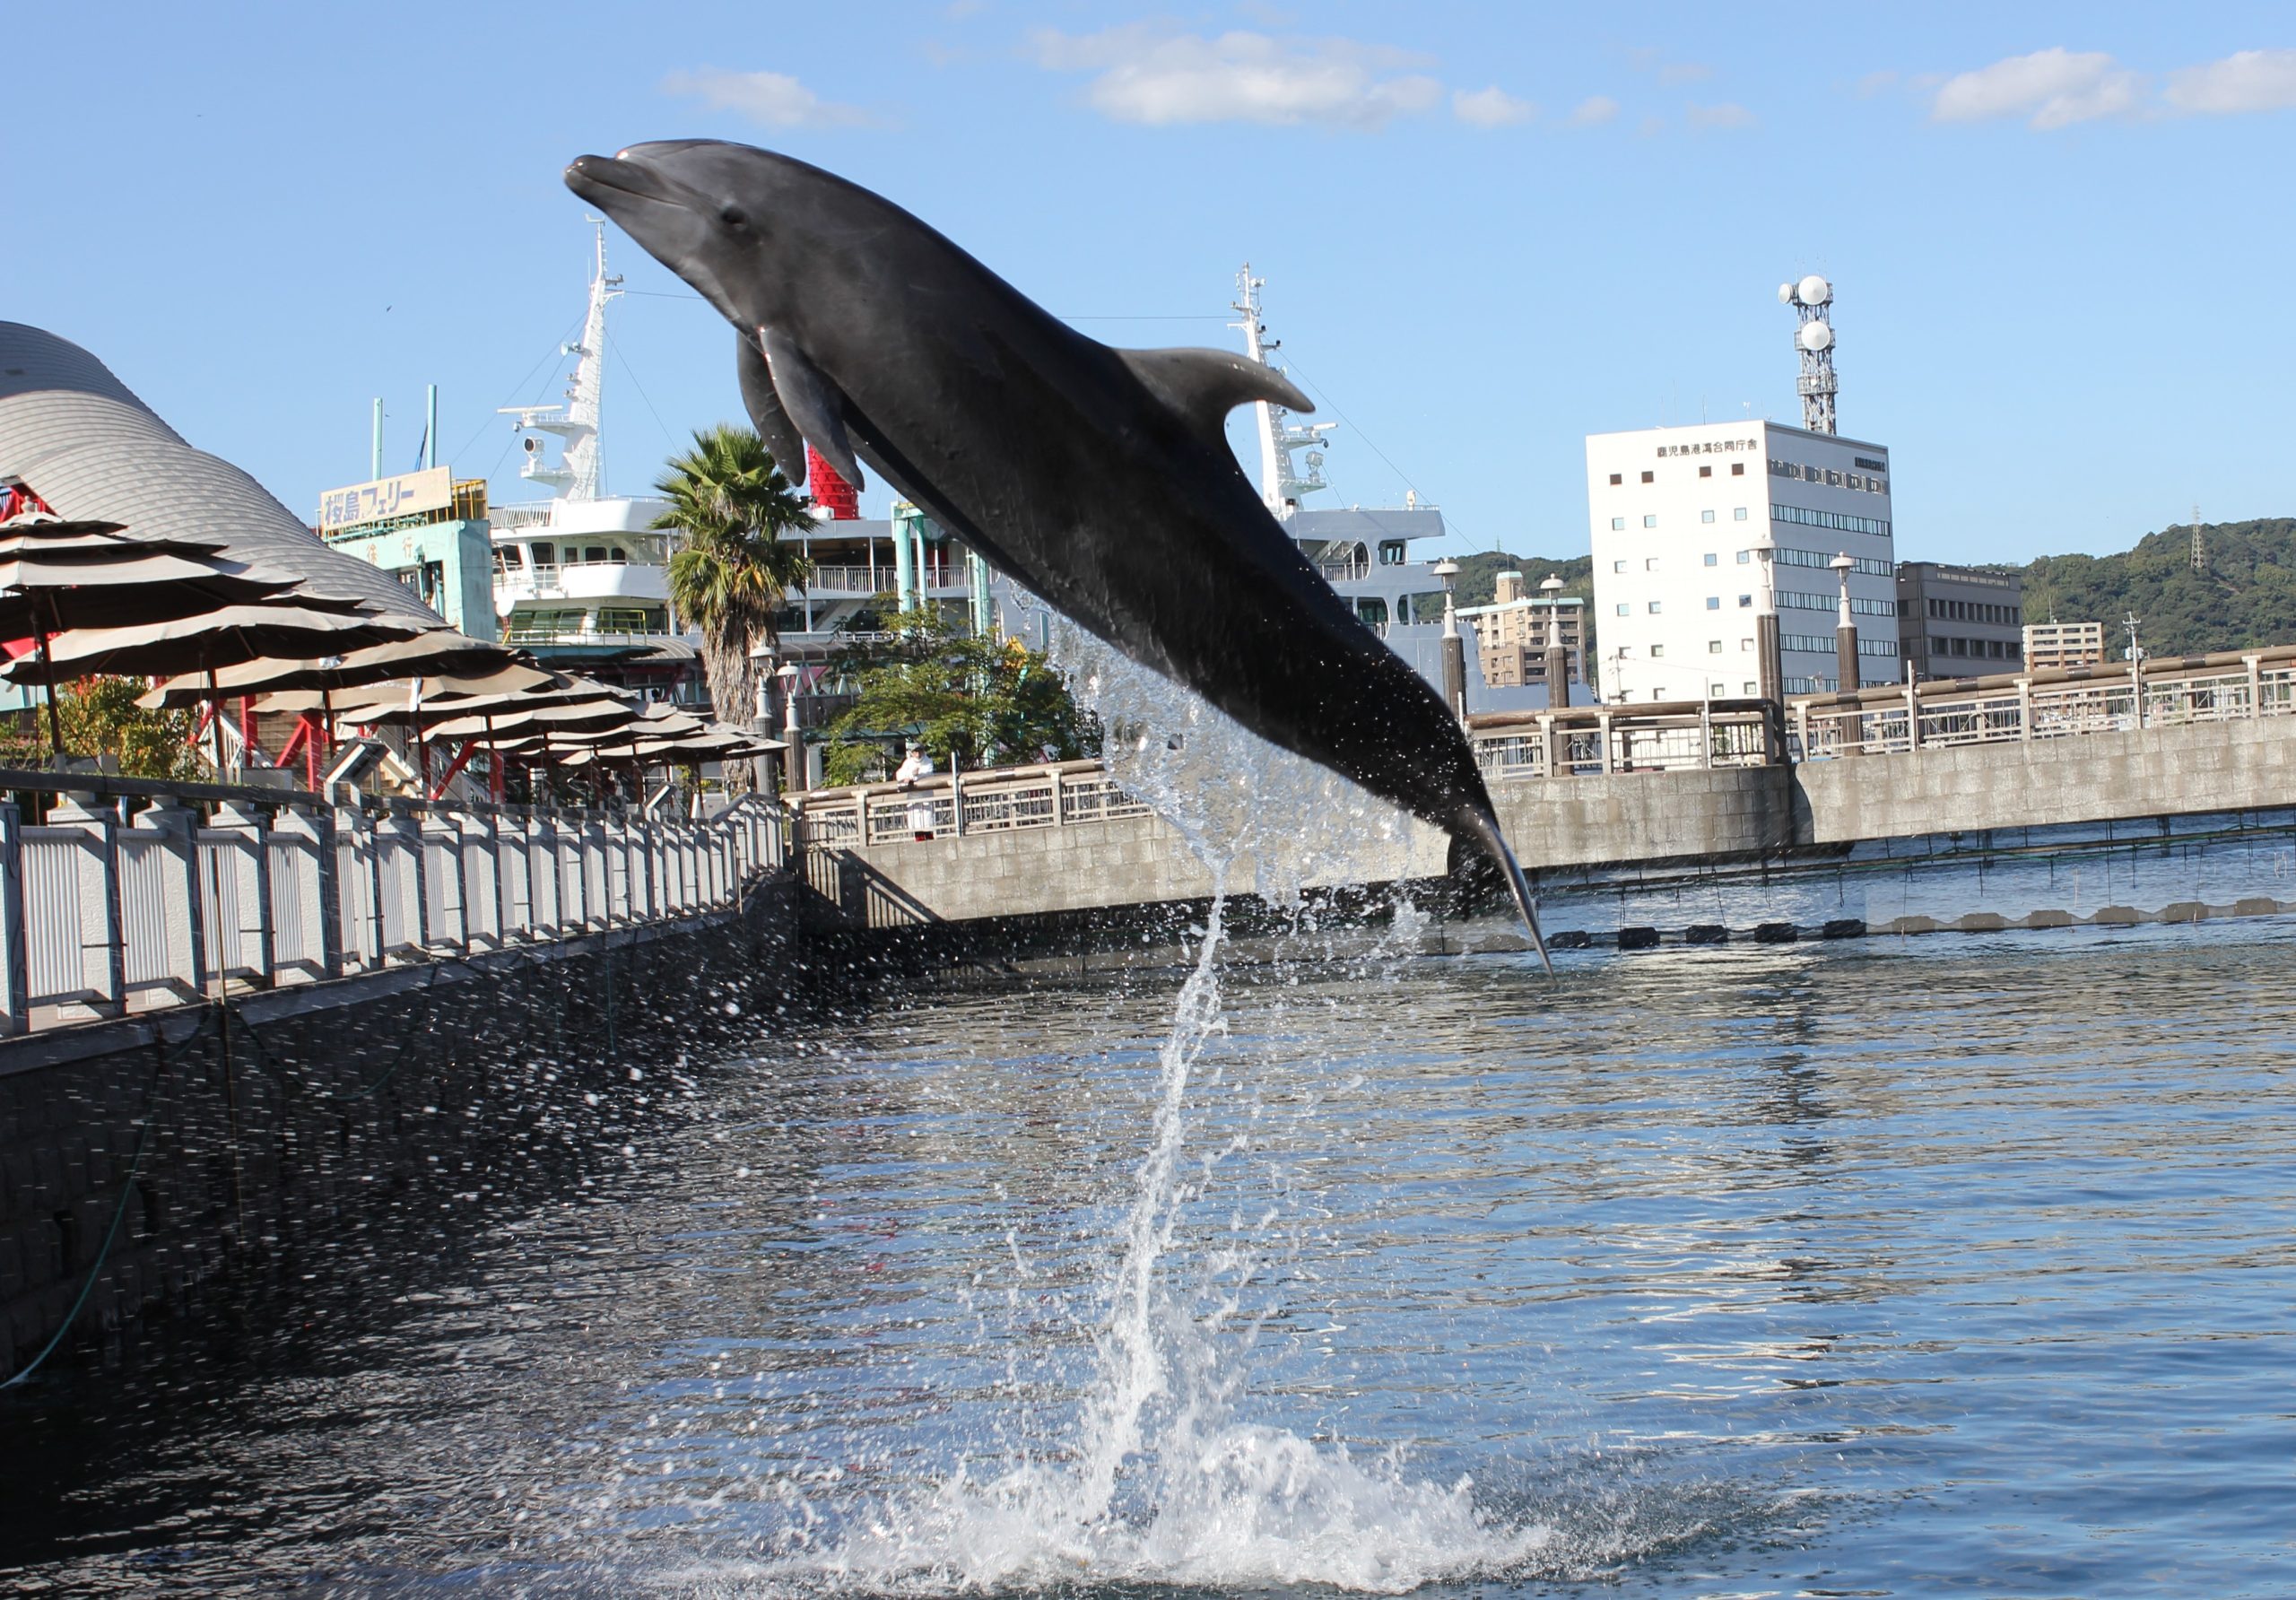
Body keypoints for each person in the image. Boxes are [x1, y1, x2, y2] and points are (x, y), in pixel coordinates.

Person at [895, 742, 935, 839]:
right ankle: (919, 841)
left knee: (927, 823)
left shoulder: (928, 761)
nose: (917, 754)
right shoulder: (908, 762)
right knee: (916, 823)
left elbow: (926, 773)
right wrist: (911, 775)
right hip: (913, 796)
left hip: (925, 795)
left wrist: (913, 776)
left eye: (919, 751)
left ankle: (930, 841)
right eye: (915, 752)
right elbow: (899, 775)